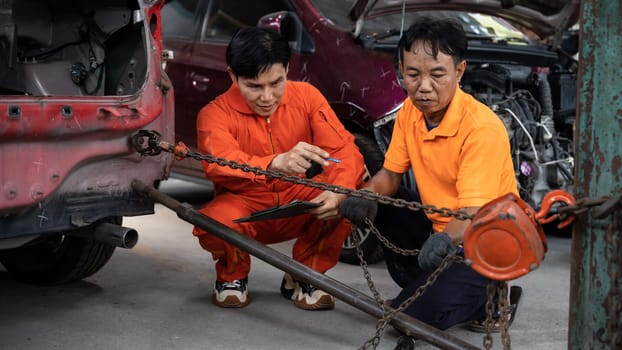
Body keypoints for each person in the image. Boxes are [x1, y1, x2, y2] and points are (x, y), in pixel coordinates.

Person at [340, 16, 521, 333]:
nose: (423, 87)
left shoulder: (481, 129)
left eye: (437, 75)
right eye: (413, 74)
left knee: (405, 321)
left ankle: (493, 294)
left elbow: (471, 213)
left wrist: (442, 240)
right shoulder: (410, 112)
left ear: (459, 71)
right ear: (402, 71)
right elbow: (390, 175)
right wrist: (365, 195)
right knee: (385, 199)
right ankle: (429, 285)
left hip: (484, 246)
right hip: (441, 235)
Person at [192, 27, 365, 310]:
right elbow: (217, 163)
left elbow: (343, 150)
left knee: (344, 197)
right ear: (232, 76)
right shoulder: (214, 113)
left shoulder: (308, 97)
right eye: (254, 86)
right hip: (245, 204)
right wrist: (273, 163)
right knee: (214, 221)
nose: (267, 96)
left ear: (287, 68)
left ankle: (308, 274)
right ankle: (232, 275)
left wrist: (339, 191)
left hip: (297, 198)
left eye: (276, 82)